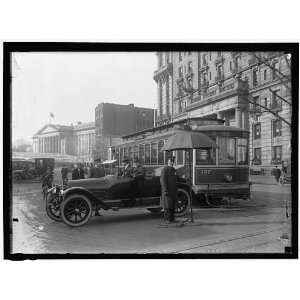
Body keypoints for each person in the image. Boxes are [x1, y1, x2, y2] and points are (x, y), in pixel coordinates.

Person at [160, 157, 178, 223]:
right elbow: (163, 180)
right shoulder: (165, 169)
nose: (172, 162)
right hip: (167, 191)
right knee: (167, 206)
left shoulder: (173, 169)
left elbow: (176, 179)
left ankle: (172, 219)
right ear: (168, 162)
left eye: (173, 161)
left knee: (172, 205)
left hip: (173, 191)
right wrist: (165, 190)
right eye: (170, 161)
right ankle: (167, 219)